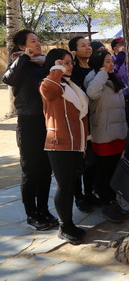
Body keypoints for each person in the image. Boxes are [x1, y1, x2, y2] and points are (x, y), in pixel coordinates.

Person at [2, 30, 56, 231]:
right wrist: (24, 57)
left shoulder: (43, 64)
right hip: (28, 123)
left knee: (46, 170)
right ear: (22, 47)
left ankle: (43, 209)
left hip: (47, 121)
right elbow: (8, 79)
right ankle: (31, 214)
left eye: (38, 40)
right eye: (33, 41)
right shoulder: (19, 63)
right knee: (31, 171)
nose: (38, 44)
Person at [40, 49, 89, 244]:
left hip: (76, 143)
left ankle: (69, 223)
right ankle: (64, 226)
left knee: (70, 185)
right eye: (65, 63)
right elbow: (49, 91)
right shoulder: (48, 83)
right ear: (55, 64)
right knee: (64, 186)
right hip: (58, 143)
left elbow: (82, 113)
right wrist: (57, 70)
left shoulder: (69, 85)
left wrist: (86, 140)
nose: (70, 66)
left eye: (70, 63)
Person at [84, 50, 128, 223]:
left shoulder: (112, 78)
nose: (111, 64)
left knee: (114, 170)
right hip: (103, 133)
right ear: (99, 64)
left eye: (112, 61)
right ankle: (106, 204)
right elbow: (93, 94)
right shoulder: (93, 78)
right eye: (107, 61)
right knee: (104, 171)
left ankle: (113, 201)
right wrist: (102, 73)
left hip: (118, 132)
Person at [68, 36, 97, 213]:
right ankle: (79, 197)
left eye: (89, 45)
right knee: (79, 163)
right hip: (79, 122)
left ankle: (89, 193)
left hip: (95, 120)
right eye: (83, 45)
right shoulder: (74, 71)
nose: (88, 48)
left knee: (92, 161)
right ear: (74, 51)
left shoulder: (94, 67)